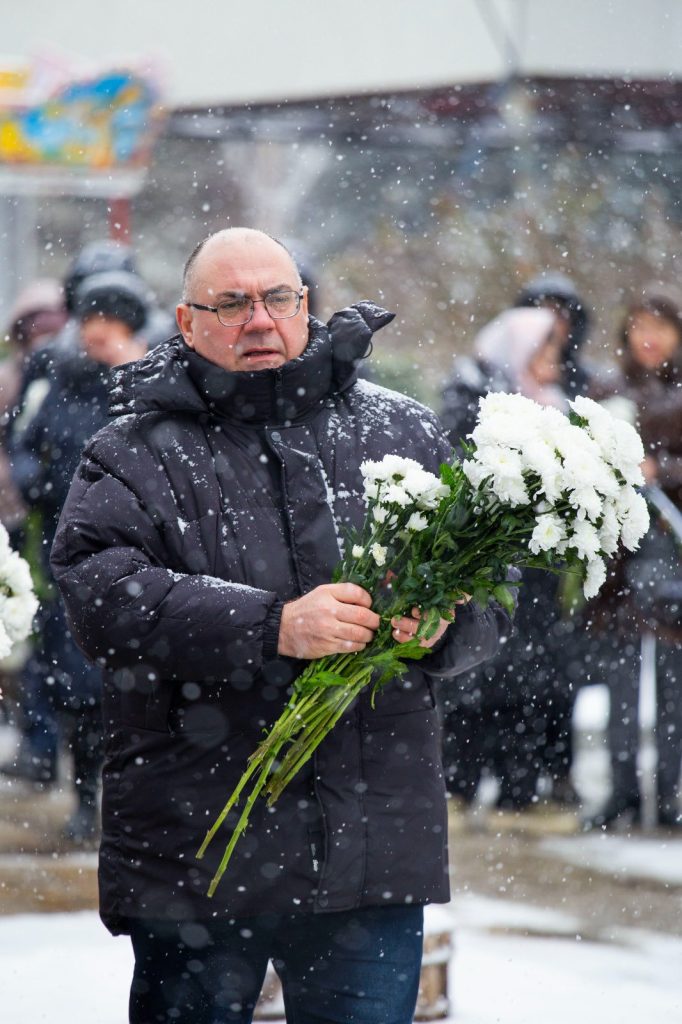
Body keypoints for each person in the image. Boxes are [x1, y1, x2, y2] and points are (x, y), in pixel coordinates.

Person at [51, 227, 512, 1024]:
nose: (259, 320)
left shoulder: (400, 430)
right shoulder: (132, 451)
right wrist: (272, 626)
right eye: (231, 303)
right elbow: (103, 597)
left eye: (277, 298)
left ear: (306, 306)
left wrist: (443, 625)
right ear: (187, 321)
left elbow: (493, 593)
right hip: (196, 847)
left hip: (367, 849)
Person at [6, 271, 150, 842]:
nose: (98, 333)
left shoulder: (155, 382)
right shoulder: (61, 377)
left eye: (111, 322)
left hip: (139, 554)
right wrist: (36, 482)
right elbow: (25, 443)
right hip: (65, 549)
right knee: (78, 682)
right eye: (90, 320)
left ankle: (131, 802)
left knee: (133, 684)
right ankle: (87, 797)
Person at [440, 307, 581, 812]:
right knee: (475, 677)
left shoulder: (555, 405)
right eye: (544, 352)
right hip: (487, 563)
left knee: (526, 685)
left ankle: (517, 790)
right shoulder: (475, 398)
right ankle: (461, 786)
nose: (554, 364)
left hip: (537, 576)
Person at [587, 292, 682, 829]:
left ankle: (669, 793)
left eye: (661, 326)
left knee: (673, 682)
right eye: (640, 325)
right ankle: (621, 791)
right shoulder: (606, 390)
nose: (650, 336)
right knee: (621, 681)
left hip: (673, 557)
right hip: (619, 561)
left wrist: (660, 470)